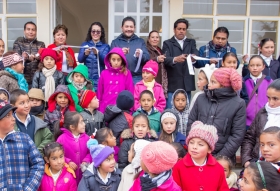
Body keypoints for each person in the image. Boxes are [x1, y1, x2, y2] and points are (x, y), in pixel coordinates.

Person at [188, 68, 246, 161]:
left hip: (223, 158)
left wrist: (219, 158)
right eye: (210, 81)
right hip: (198, 155)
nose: (209, 84)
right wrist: (194, 146)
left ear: (223, 85)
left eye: (213, 82)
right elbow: (191, 123)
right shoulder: (201, 98)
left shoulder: (238, 103)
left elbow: (237, 135)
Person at [0, 99, 44, 190]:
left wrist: (28, 188)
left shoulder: (24, 139)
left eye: (12, 114)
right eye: (8, 116)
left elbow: (38, 164)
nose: (13, 118)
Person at [173, 121, 228, 190]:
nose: (194, 147)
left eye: (200, 144)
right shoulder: (179, 167)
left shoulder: (218, 168)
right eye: (191, 143)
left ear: (209, 149)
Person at [241, 80, 280, 167]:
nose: (271, 103)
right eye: (268, 98)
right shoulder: (263, 112)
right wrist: (247, 160)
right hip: (259, 164)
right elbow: (249, 137)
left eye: (275, 99)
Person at [162, 18, 199, 106]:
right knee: (171, 111)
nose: (181, 31)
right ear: (174, 30)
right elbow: (165, 59)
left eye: (184, 29)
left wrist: (194, 57)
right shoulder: (167, 43)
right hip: (173, 82)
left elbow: (196, 53)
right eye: (179, 29)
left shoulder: (191, 42)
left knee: (186, 110)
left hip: (187, 82)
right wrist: (175, 59)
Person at [11, 89, 53, 155]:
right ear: (13, 106)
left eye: (28, 101)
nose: (27, 105)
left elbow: (48, 137)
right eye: (22, 103)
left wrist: (37, 151)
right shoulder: (9, 124)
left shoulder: (37, 122)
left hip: (36, 161)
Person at [54, 111, 92, 183]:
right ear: (72, 127)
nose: (84, 124)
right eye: (81, 122)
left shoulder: (87, 138)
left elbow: (90, 152)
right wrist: (68, 162)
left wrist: (86, 160)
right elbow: (57, 155)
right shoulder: (61, 139)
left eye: (83, 121)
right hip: (67, 175)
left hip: (83, 175)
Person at [111, 16, 150, 84]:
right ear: (122, 28)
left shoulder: (140, 41)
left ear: (134, 28)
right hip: (120, 76)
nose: (129, 29)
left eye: (131, 27)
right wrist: (119, 53)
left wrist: (140, 56)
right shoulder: (115, 42)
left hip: (136, 78)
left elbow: (147, 57)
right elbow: (110, 60)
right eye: (126, 26)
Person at [97, 47, 134, 113]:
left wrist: (130, 109)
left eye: (118, 60)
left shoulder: (126, 73)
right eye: (113, 60)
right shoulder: (104, 73)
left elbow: (130, 91)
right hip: (106, 107)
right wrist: (99, 108)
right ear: (109, 60)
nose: (116, 62)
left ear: (122, 60)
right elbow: (100, 92)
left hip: (121, 108)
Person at [78, 22, 110, 91]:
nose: (95, 33)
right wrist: (85, 54)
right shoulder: (84, 44)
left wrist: (97, 54)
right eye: (93, 31)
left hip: (99, 79)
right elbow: (80, 59)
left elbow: (106, 61)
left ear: (101, 33)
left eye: (98, 32)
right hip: (86, 79)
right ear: (90, 32)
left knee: (98, 100)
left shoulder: (105, 46)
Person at [13, 21, 45, 88]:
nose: (31, 32)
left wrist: (38, 57)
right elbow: (16, 59)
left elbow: (44, 59)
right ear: (24, 31)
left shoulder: (41, 44)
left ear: (36, 32)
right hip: (22, 78)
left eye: (33, 30)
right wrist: (26, 58)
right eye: (28, 29)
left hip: (37, 78)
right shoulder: (18, 42)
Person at [244, 55, 272, 128]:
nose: (255, 68)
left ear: (263, 66)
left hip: (265, 120)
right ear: (248, 67)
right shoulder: (243, 82)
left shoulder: (269, 81)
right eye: (252, 65)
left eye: (258, 65)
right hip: (246, 121)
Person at [146, 30, 168, 96]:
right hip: (151, 81)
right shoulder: (146, 49)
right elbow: (146, 61)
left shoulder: (160, 50)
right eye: (153, 37)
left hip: (161, 81)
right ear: (149, 39)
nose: (155, 39)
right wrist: (157, 59)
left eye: (157, 37)